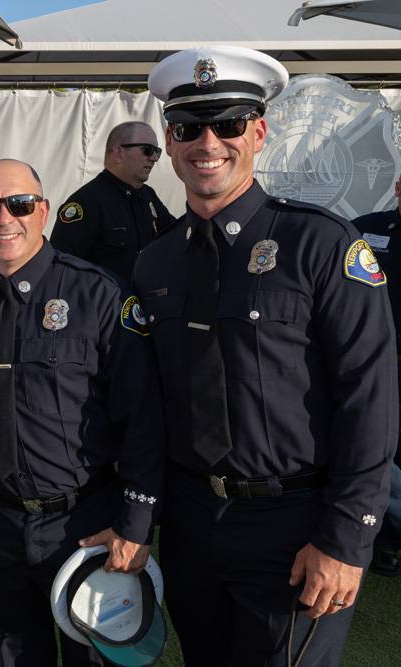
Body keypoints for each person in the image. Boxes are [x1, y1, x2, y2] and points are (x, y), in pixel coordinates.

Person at [135, 46, 398, 664]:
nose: (208, 143)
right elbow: (149, 403)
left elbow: (370, 396)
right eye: (187, 128)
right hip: (193, 523)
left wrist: (347, 536)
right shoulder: (155, 261)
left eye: (227, 123)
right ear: (169, 144)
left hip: (296, 523)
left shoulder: (320, 243)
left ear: (258, 133)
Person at [0, 158, 164, 666]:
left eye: (19, 204)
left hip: (83, 523)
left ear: (43, 211)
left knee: (96, 657)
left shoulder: (98, 294)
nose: (4, 218)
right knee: (10, 656)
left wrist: (135, 524)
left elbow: (143, 418)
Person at [352, 176, 401, 577]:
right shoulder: (365, 229)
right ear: (398, 188)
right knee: (381, 451)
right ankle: (383, 543)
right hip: (376, 364)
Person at [50, 121, 175, 277]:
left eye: (157, 151)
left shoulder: (147, 196)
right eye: (147, 150)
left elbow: (175, 235)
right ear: (118, 153)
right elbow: (61, 270)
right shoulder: (86, 203)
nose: (154, 158)